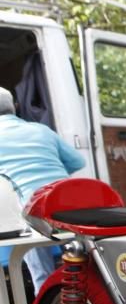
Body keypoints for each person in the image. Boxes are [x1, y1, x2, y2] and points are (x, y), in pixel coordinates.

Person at [0, 87, 85, 292]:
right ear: (16, 107)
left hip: (29, 212)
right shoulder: (42, 130)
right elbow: (77, 161)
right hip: (67, 206)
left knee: (42, 275)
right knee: (82, 265)